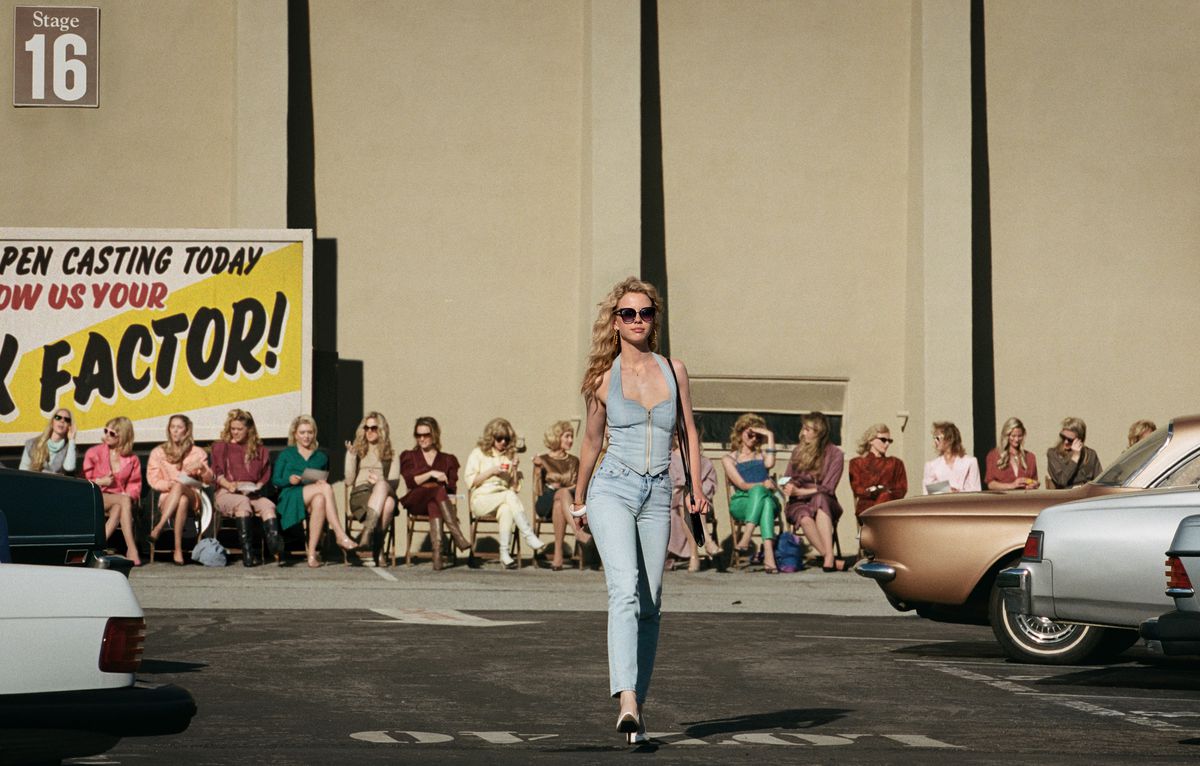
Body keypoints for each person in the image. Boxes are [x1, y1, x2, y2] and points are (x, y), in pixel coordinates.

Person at [572, 277, 708, 744]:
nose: (637, 320)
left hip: (658, 492)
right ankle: (626, 698)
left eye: (645, 313)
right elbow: (591, 443)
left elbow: (688, 431)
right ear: (615, 322)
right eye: (628, 313)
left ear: (654, 318)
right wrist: (578, 498)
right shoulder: (601, 379)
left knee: (651, 605)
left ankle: (638, 709)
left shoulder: (674, 370)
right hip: (612, 487)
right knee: (624, 590)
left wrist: (693, 487)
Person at [273, 415, 358, 567]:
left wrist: (319, 481)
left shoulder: (321, 456)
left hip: (312, 495)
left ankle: (311, 554)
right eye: (302, 432)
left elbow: (322, 477)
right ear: (295, 434)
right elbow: (275, 480)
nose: (306, 436)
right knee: (325, 489)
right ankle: (340, 534)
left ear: (314, 434)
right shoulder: (286, 454)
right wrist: (289, 480)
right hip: (290, 495)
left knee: (320, 499)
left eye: (310, 432)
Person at [464, 417, 545, 569]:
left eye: (506, 439)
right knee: (508, 496)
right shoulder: (478, 453)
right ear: (491, 437)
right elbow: (471, 481)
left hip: (503, 498)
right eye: (499, 438)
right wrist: (491, 471)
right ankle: (528, 535)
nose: (503, 442)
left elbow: (515, 488)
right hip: (482, 499)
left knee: (507, 508)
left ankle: (505, 554)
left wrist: (514, 469)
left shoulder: (509, 456)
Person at [210, 409, 283, 567]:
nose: (235, 432)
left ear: (249, 429)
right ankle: (247, 553)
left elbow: (264, 475)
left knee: (268, 505)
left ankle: (274, 545)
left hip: (251, 493)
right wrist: (230, 485)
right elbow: (217, 473)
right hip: (227, 492)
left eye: (239, 429)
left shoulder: (260, 450)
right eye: (233, 429)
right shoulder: (222, 447)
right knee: (242, 503)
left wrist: (257, 486)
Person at [398, 416, 471, 568]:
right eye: (418, 435)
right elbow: (410, 481)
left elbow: (451, 489)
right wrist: (431, 474)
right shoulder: (409, 456)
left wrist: (444, 483)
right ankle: (457, 535)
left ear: (435, 435)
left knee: (435, 502)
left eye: (426, 435)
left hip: (437, 502)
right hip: (416, 500)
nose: (422, 439)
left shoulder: (447, 459)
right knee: (437, 490)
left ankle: (437, 554)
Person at [782, 412, 846, 572]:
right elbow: (784, 478)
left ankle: (828, 557)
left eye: (807, 429)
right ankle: (829, 556)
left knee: (821, 498)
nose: (803, 433)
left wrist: (800, 491)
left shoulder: (835, 454)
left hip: (826, 502)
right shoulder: (797, 451)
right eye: (803, 429)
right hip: (798, 503)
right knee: (803, 517)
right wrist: (786, 486)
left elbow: (828, 488)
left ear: (819, 432)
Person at [147, 414, 214, 566]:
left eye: (179, 427)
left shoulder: (198, 452)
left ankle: (158, 527)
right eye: (172, 427)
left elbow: (208, 480)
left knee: (182, 489)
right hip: (168, 497)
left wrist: (202, 468)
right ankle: (178, 549)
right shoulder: (159, 452)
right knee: (180, 498)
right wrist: (168, 485)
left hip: (193, 496)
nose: (175, 431)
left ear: (186, 430)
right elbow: (153, 480)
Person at [721, 413, 780, 573]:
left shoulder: (762, 456)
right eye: (750, 434)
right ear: (741, 432)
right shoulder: (729, 459)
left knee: (766, 501)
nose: (754, 439)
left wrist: (770, 435)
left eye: (758, 437)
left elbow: (771, 462)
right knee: (761, 494)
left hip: (764, 500)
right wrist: (763, 484)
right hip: (742, 502)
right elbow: (742, 484)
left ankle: (746, 537)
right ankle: (769, 558)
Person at [81, 416, 142, 566]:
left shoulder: (132, 459)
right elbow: (84, 481)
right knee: (124, 501)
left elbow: (135, 484)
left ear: (123, 436)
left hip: (118, 499)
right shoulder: (93, 453)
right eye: (106, 431)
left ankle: (95, 548)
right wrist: (102, 481)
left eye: (112, 433)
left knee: (119, 508)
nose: (107, 435)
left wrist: (128, 494)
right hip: (96, 495)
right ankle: (132, 549)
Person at [343, 412, 400, 566]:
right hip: (361, 494)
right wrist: (351, 456)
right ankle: (379, 549)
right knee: (388, 504)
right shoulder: (358, 451)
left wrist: (379, 482)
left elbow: (394, 483)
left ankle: (368, 535)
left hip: (382, 491)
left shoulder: (391, 454)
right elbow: (349, 481)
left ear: (381, 430)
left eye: (373, 428)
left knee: (387, 497)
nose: (369, 431)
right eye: (366, 428)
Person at [532, 420, 587, 571]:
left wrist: (561, 487)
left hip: (566, 500)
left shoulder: (574, 461)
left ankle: (558, 556)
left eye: (571, 437)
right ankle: (578, 531)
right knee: (561, 494)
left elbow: (577, 485)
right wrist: (537, 469)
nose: (570, 440)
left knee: (560, 499)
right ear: (557, 437)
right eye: (567, 436)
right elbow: (538, 490)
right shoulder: (542, 459)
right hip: (545, 501)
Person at [667, 432, 719, 572]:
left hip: (700, 503)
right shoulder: (668, 459)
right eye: (677, 434)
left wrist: (697, 491)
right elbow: (667, 484)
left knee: (690, 500)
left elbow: (711, 484)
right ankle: (707, 541)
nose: (680, 437)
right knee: (686, 499)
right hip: (673, 502)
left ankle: (694, 556)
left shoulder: (704, 462)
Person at [848, 423, 907, 518]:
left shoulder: (896, 463)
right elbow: (857, 489)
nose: (887, 444)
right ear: (871, 440)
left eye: (889, 441)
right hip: (867, 509)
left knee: (886, 498)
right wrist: (876, 491)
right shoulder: (857, 463)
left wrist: (884, 493)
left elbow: (901, 489)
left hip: (890, 507)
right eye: (883, 440)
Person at [922, 421, 980, 495]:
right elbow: (926, 491)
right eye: (934, 438)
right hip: (941, 504)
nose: (935, 441)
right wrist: (946, 489)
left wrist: (958, 491)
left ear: (949, 439)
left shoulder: (970, 462)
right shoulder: (931, 465)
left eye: (938, 438)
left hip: (964, 504)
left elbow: (976, 490)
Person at [1046, 416, 1102, 489]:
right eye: (1063, 437)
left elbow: (1099, 480)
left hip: (1087, 496)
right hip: (1066, 497)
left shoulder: (1090, 454)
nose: (1065, 442)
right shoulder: (1053, 454)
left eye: (1070, 440)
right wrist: (1075, 458)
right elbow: (1062, 480)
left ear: (1080, 440)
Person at [984, 417, 1039, 491]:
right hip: (1003, 500)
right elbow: (990, 484)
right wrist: (1012, 485)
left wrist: (1034, 484)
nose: (1016, 439)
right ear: (1006, 435)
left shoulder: (1030, 457)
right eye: (1013, 436)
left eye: (1020, 436)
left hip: (1024, 499)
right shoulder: (994, 456)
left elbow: (1034, 480)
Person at [19, 408, 77, 474]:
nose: (62, 421)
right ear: (52, 422)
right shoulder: (32, 444)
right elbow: (23, 471)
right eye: (58, 417)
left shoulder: (69, 449)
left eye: (67, 420)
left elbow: (69, 468)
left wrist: (72, 439)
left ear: (69, 426)